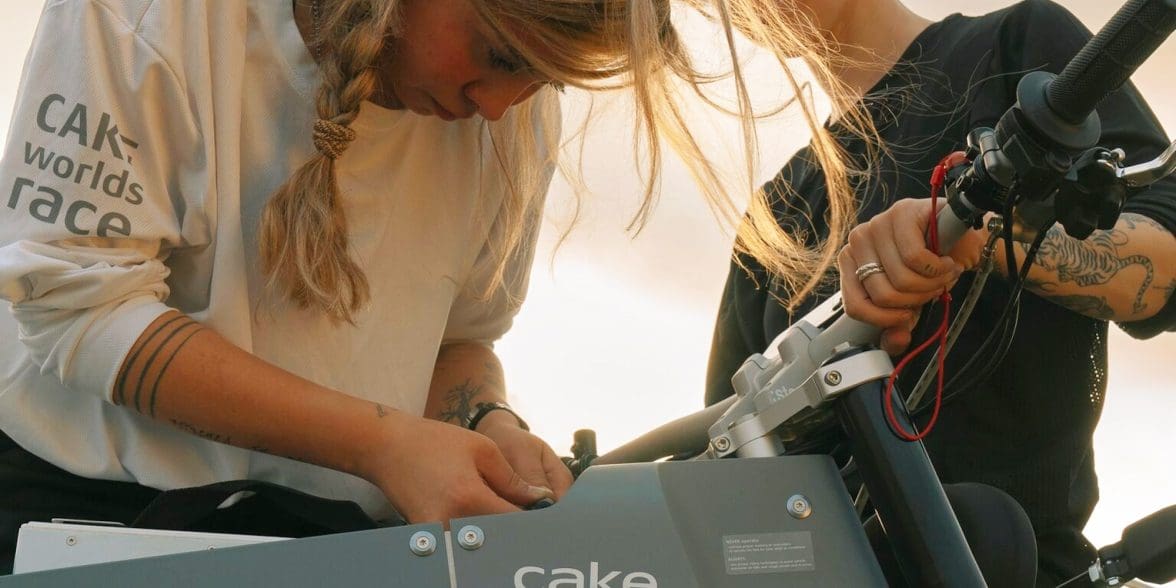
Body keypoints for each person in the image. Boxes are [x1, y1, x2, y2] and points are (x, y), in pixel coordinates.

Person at [0, 0, 871, 574]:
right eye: (497, 54)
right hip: (85, 521)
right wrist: (382, 446)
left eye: (539, 78)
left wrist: (482, 421)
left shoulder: (512, 119)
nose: (498, 105)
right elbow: (80, 307)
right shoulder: (147, 18)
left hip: (340, 549)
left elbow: (458, 343)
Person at [706, 0, 1176, 585]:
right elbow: (721, 461)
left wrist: (979, 234)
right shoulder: (774, 215)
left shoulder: (1014, 50)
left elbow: (1167, 260)